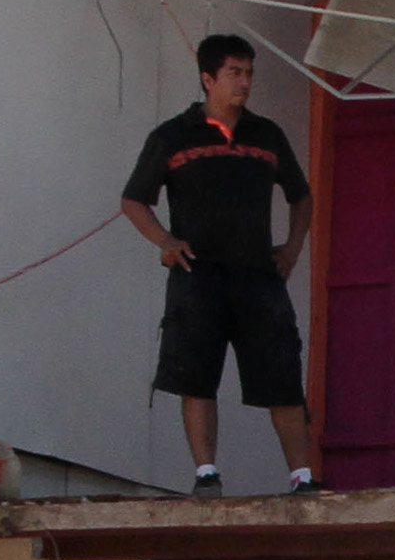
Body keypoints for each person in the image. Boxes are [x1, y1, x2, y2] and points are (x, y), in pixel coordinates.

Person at [118, 35, 319, 495]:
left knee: (282, 374)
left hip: (258, 275)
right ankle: (206, 473)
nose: (244, 82)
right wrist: (164, 240)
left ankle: (302, 477)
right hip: (198, 274)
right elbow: (134, 199)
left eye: (249, 73)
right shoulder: (172, 136)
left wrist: (291, 249)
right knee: (196, 375)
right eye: (234, 73)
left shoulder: (267, 135)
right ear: (208, 78)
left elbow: (301, 195)